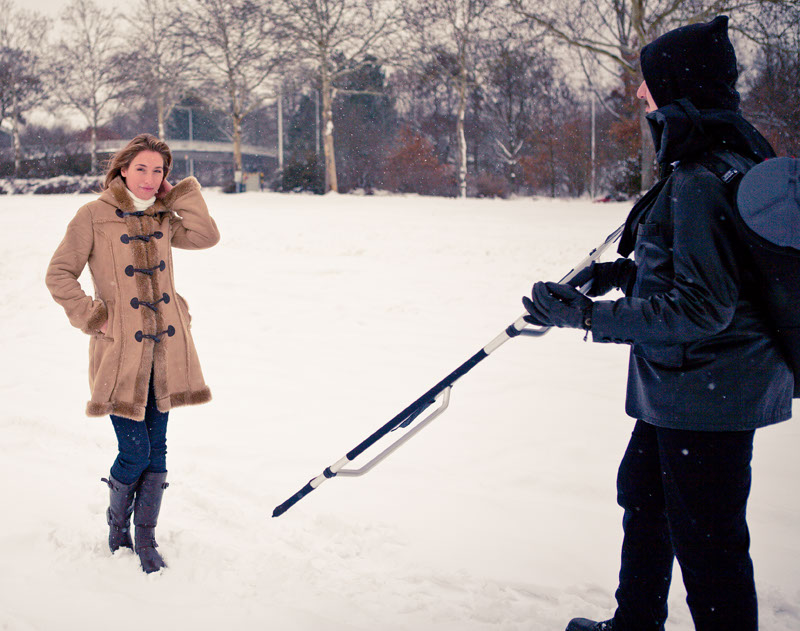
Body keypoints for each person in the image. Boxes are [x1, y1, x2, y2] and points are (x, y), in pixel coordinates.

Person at [521, 16, 794, 631]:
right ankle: (635, 622)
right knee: (645, 499)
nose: (640, 94)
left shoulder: (699, 180)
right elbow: (713, 274)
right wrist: (619, 277)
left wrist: (589, 316)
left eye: (648, 82)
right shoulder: (725, 157)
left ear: (677, 86)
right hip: (686, 387)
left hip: (708, 392)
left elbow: (705, 308)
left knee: (709, 544)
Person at [46, 134, 220, 573]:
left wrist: (179, 195)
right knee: (136, 452)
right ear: (123, 168)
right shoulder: (92, 215)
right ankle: (117, 526)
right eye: (141, 168)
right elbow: (59, 274)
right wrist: (92, 316)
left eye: (158, 171)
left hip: (167, 351)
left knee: (158, 450)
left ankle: (146, 540)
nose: (148, 178)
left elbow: (206, 235)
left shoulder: (164, 214)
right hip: (120, 353)